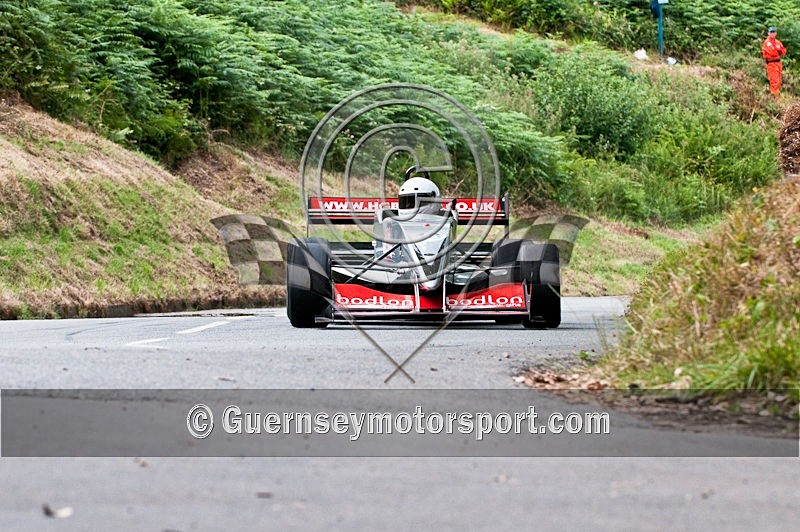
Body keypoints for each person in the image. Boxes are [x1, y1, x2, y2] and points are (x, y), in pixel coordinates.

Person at [762, 26, 787, 97]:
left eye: (773, 32)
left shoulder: (778, 42)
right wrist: (778, 51)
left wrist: (779, 51)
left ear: (776, 33)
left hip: (778, 63)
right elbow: (771, 52)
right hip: (771, 63)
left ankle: (776, 96)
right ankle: (775, 97)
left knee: (779, 81)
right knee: (774, 81)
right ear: (768, 33)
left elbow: (784, 51)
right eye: (771, 32)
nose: (772, 33)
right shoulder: (767, 42)